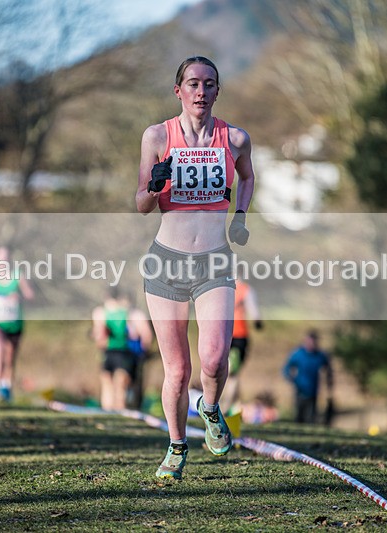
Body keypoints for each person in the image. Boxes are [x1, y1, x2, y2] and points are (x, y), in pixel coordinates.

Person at [136, 56, 255, 479]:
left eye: (208, 84)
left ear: (217, 91)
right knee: (178, 369)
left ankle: (209, 406)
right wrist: (156, 183)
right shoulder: (156, 136)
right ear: (179, 91)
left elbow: (247, 176)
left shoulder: (235, 138)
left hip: (214, 261)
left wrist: (240, 216)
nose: (200, 91)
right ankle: (176, 445)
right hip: (166, 263)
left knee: (214, 357)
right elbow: (141, 204)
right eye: (192, 84)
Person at [0, 246, 34, 402]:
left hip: (14, 322)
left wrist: (19, 296)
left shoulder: (17, 275)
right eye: (0, 258)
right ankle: (0, 385)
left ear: (9, 260)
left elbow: (30, 295)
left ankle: (7, 386)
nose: (3, 261)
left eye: (5, 258)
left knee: (10, 357)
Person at [92, 287, 138, 411]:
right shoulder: (127, 311)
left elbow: (100, 336)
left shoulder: (100, 312)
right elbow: (134, 334)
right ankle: (120, 411)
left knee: (107, 384)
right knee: (120, 385)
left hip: (108, 351)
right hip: (124, 352)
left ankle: (107, 413)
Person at [221, 278, 263, 413]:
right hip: (239, 336)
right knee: (233, 374)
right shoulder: (245, 289)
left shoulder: (221, 286)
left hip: (222, 333)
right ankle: (226, 407)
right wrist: (258, 322)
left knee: (226, 371)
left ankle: (227, 407)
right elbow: (254, 312)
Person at [282, 329, 333, 424]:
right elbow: (286, 367)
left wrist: (329, 384)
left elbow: (328, 370)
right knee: (298, 417)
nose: (312, 343)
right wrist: (290, 378)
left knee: (311, 418)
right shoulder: (298, 354)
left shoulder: (320, 356)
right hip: (299, 390)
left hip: (313, 391)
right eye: (310, 340)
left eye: (314, 341)